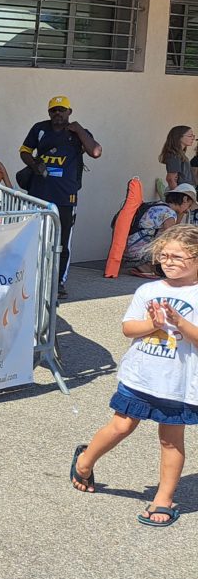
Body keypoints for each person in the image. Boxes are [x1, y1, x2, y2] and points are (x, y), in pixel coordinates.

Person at [70, 224, 198, 528]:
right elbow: (128, 328)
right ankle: (84, 461)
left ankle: (163, 499)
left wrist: (180, 323)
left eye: (177, 257)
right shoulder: (148, 290)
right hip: (140, 376)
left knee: (171, 440)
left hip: (178, 383)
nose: (168, 262)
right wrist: (153, 324)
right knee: (121, 426)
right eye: (164, 256)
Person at [20, 95, 101, 298]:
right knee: (35, 239)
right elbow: (24, 151)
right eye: (54, 110)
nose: (57, 113)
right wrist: (34, 164)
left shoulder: (78, 132)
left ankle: (58, 282)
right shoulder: (39, 128)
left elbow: (95, 152)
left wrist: (79, 129)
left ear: (69, 111)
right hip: (38, 194)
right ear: (49, 112)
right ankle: (33, 278)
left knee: (62, 242)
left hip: (66, 196)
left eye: (61, 110)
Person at [124, 185, 197, 278]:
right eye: (189, 206)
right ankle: (145, 267)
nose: (188, 210)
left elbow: (173, 229)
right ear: (185, 199)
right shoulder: (169, 214)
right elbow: (172, 237)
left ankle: (147, 267)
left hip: (129, 249)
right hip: (138, 253)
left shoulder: (159, 206)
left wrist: (181, 213)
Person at [160, 125, 194, 191]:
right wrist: (178, 194)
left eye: (193, 136)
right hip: (182, 191)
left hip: (186, 189)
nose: (193, 138)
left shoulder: (180, 154)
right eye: (190, 136)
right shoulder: (174, 155)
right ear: (178, 137)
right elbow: (170, 179)